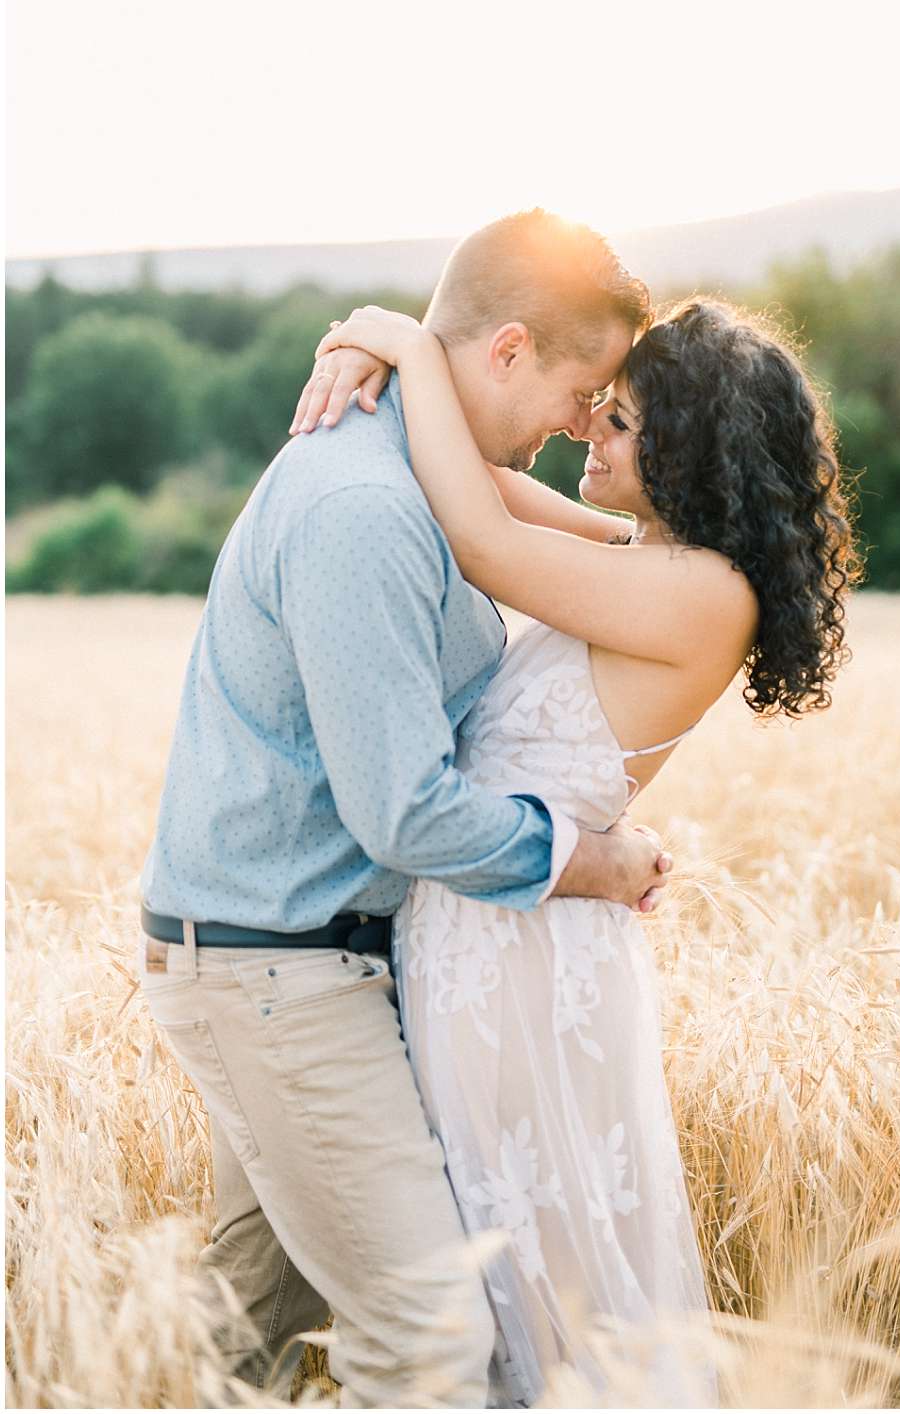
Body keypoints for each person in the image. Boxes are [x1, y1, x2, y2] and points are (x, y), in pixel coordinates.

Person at [136, 209, 676, 1410]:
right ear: (508, 351)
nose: (582, 424)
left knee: (252, 1348)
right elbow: (404, 814)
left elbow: (535, 522)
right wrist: (590, 862)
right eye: (582, 392)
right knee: (429, 1339)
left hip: (311, 965)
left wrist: (386, 340)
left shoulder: (421, 470)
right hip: (277, 975)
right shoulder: (365, 509)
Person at [289, 292, 860, 1405]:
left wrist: (402, 341)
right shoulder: (645, 555)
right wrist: (387, 359)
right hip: (487, 928)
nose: (585, 433)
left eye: (620, 422)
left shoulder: (702, 596)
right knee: (489, 1251)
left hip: (520, 963)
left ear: (690, 453)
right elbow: (485, 481)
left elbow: (480, 533)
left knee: (527, 1272)